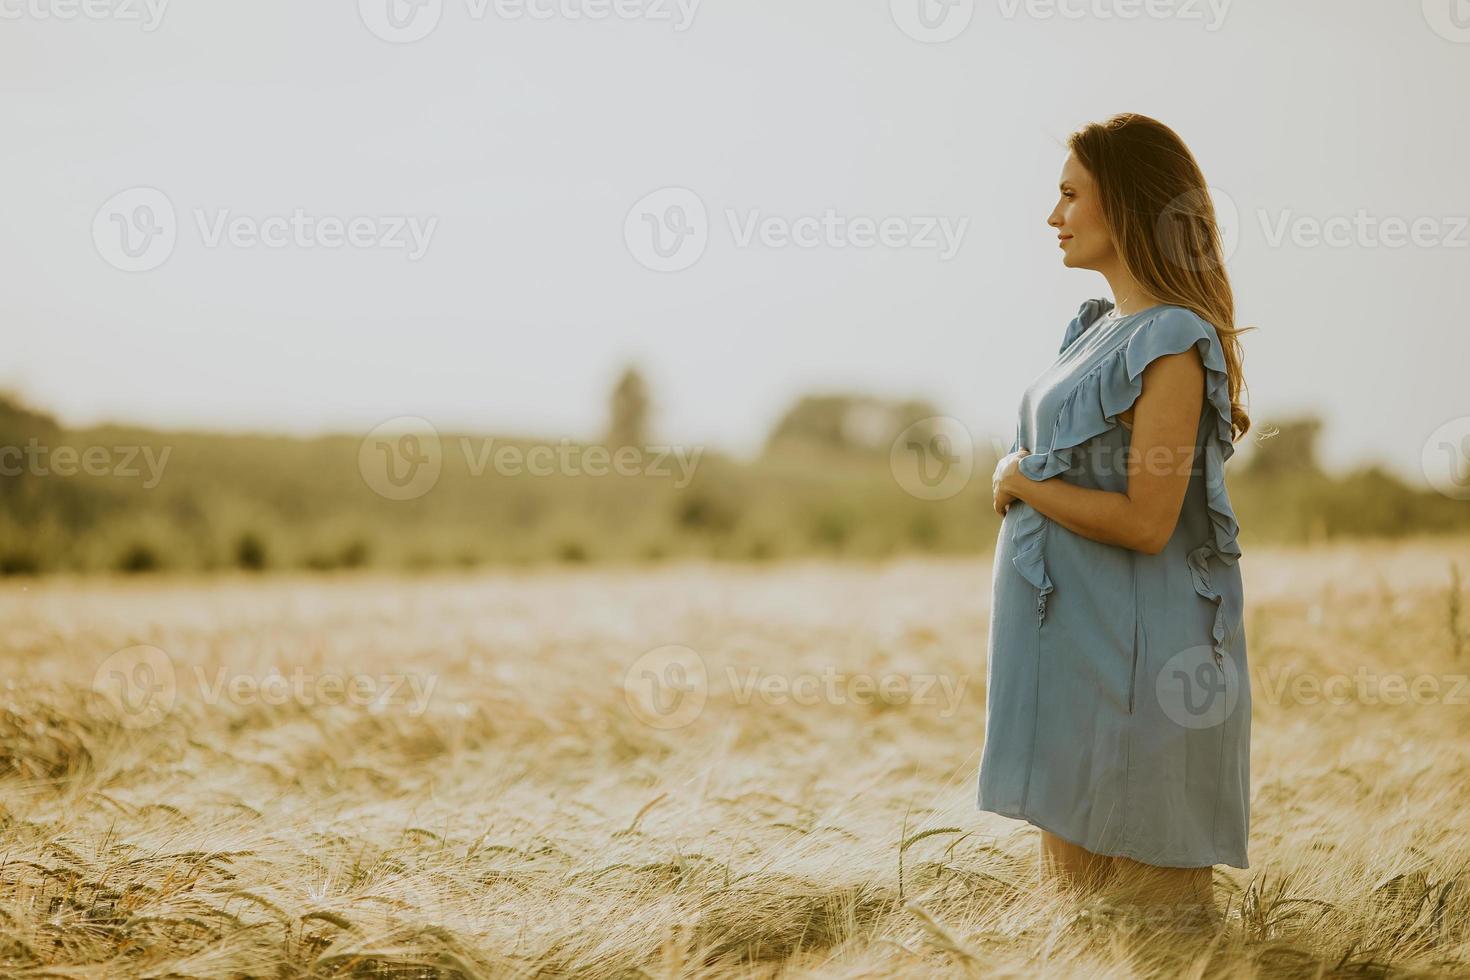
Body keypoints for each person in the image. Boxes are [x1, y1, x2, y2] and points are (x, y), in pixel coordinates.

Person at [976, 112, 1255, 926]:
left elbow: (1146, 522)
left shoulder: (1171, 338)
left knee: (1159, 938)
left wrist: (1021, 479)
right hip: (1077, 667)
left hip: (1140, 675)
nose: (1052, 216)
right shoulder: (1096, 332)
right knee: (1072, 933)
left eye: (1070, 195)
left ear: (1125, 205)